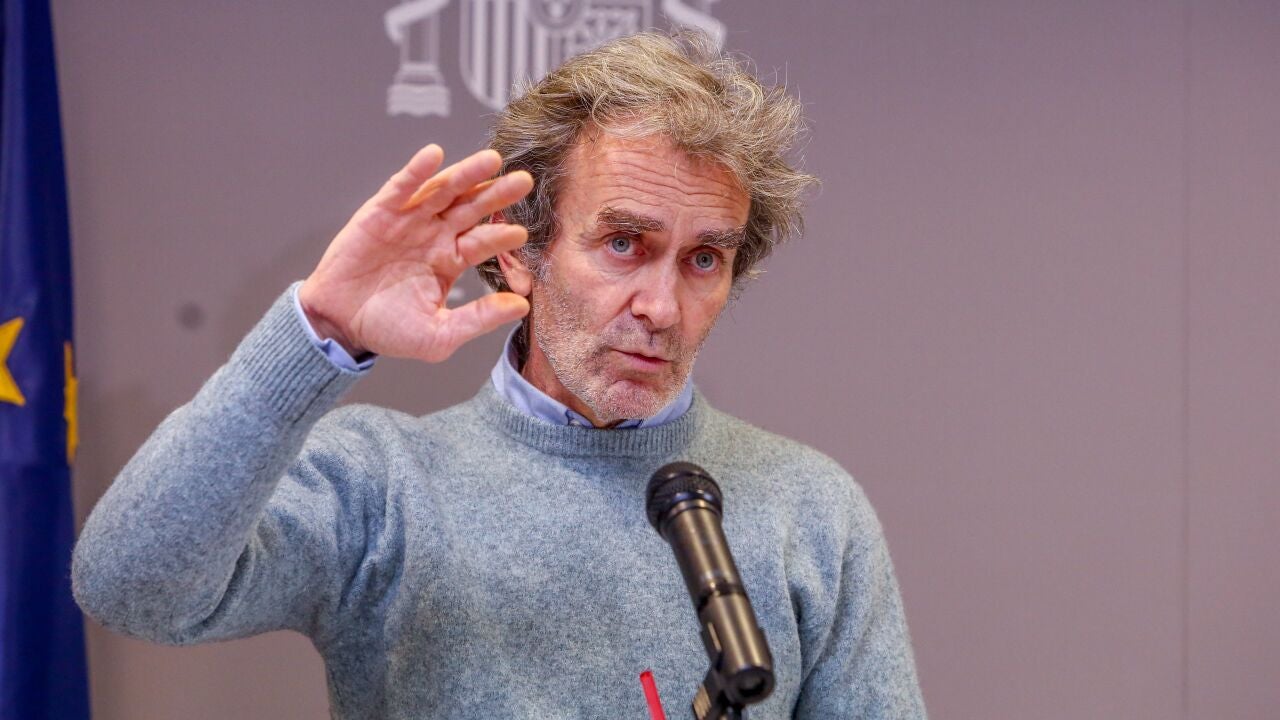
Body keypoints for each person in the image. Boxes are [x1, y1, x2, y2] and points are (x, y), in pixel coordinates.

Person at [72, 32, 926, 719]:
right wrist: (317, 332)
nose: (661, 306)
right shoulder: (380, 484)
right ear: (521, 252)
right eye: (623, 243)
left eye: (704, 259)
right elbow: (130, 586)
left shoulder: (810, 507)